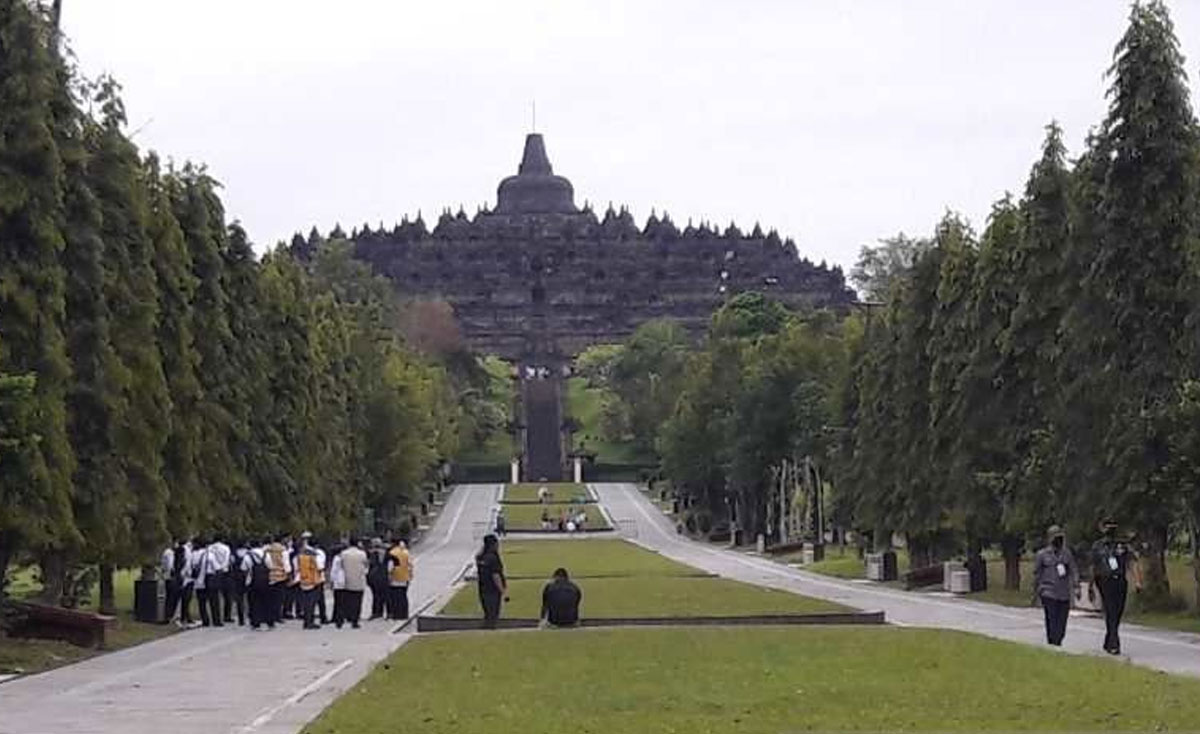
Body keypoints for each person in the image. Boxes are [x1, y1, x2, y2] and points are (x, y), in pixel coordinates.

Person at [1091, 519, 1143, 655]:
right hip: (1104, 581)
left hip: (1120, 580)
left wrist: (1137, 581)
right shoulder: (1097, 546)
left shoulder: (1123, 546)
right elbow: (1093, 566)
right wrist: (1091, 585)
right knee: (1110, 610)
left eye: (1113, 527)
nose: (1111, 530)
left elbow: (1132, 563)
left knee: (1118, 611)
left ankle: (1109, 639)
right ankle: (1114, 643)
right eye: (1108, 527)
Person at [1032, 524, 1077, 646]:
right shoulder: (1042, 555)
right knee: (1051, 619)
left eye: (1060, 538)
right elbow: (1037, 574)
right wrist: (1036, 592)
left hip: (1063, 594)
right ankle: (1053, 642)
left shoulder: (1067, 554)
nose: (1059, 541)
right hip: (1048, 592)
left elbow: (1073, 570)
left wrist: (1076, 586)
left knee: (1062, 621)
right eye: (1056, 538)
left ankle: (1058, 639)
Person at [476, 534, 508, 628]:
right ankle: (489, 630)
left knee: (488, 612)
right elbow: (496, 576)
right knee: (493, 614)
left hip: (483, 589)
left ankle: (487, 628)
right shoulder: (493, 558)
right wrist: (503, 591)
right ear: (494, 544)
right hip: (493, 590)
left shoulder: (481, 557)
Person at [244, 537, 274, 630]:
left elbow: (244, 568)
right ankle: (269, 622)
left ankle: (255, 623)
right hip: (265, 581)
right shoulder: (266, 554)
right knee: (267, 602)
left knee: (254, 602)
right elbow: (270, 566)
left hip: (252, 581)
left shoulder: (248, 556)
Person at [339, 537, 369, 629]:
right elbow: (366, 565)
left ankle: (347, 616)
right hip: (359, 580)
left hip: (347, 580)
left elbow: (341, 565)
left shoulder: (344, 553)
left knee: (347, 600)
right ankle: (355, 620)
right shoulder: (362, 554)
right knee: (357, 601)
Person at [294, 533, 323, 630]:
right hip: (313, 581)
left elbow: (296, 568)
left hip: (303, 580)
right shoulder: (313, 556)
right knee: (311, 603)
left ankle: (306, 621)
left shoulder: (299, 556)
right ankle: (310, 622)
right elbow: (319, 567)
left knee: (306, 603)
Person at [265, 533, 291, 625]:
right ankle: (277, 616)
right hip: (280, 576)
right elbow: (286, 563)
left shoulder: (267, 549)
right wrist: (288, 574)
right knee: (279, 598)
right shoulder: (283, 550)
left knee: (270, 597)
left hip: (269, 575)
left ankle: (269, 615)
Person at [207, 534, 232, 624]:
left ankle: (215, 617)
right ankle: (227, 616)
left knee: (213, 597)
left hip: (212, 573)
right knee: (227, 595)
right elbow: (226, 560)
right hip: (224, 573)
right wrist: (222, 568)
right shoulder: (226, 548)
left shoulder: (209, 548)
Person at [387, 539, 414, 620]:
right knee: (403, 596)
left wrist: (389, 577)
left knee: (395, 598)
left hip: (395, 579)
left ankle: (396, 614)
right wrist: (410, 576)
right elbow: (410, 565)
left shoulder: (392, 553)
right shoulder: (406, 553)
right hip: (405, 578)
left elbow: (390, 567)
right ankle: (404, 614)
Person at [228, 538, 250, 626]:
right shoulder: (249, 553)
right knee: (249, 597)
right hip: (247, 576)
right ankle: (250, 614)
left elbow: (231, 564)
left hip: (236, 577)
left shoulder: (233, 554)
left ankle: (241, 619)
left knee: (239, 598)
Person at [367, 538, 388, 620]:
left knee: (376, 596)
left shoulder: (372, 554)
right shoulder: (385, 553)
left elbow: (369, 565)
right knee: (383, 596)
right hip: (383, 576)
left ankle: (376, 612)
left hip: (374, 577)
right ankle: (382, 612)